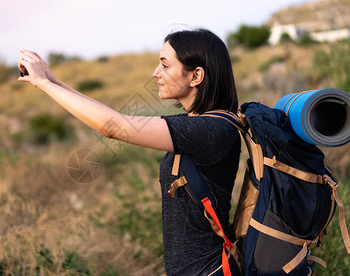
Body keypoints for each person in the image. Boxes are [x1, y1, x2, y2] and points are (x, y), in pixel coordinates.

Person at [18, 29, 241, 275]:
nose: (155, 73)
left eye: (165, 65)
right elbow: (117, 119)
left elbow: (114, 127)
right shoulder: (199, 124)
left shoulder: (211, 130)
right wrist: (52, 80)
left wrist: (43, 84)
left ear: (196, 75)